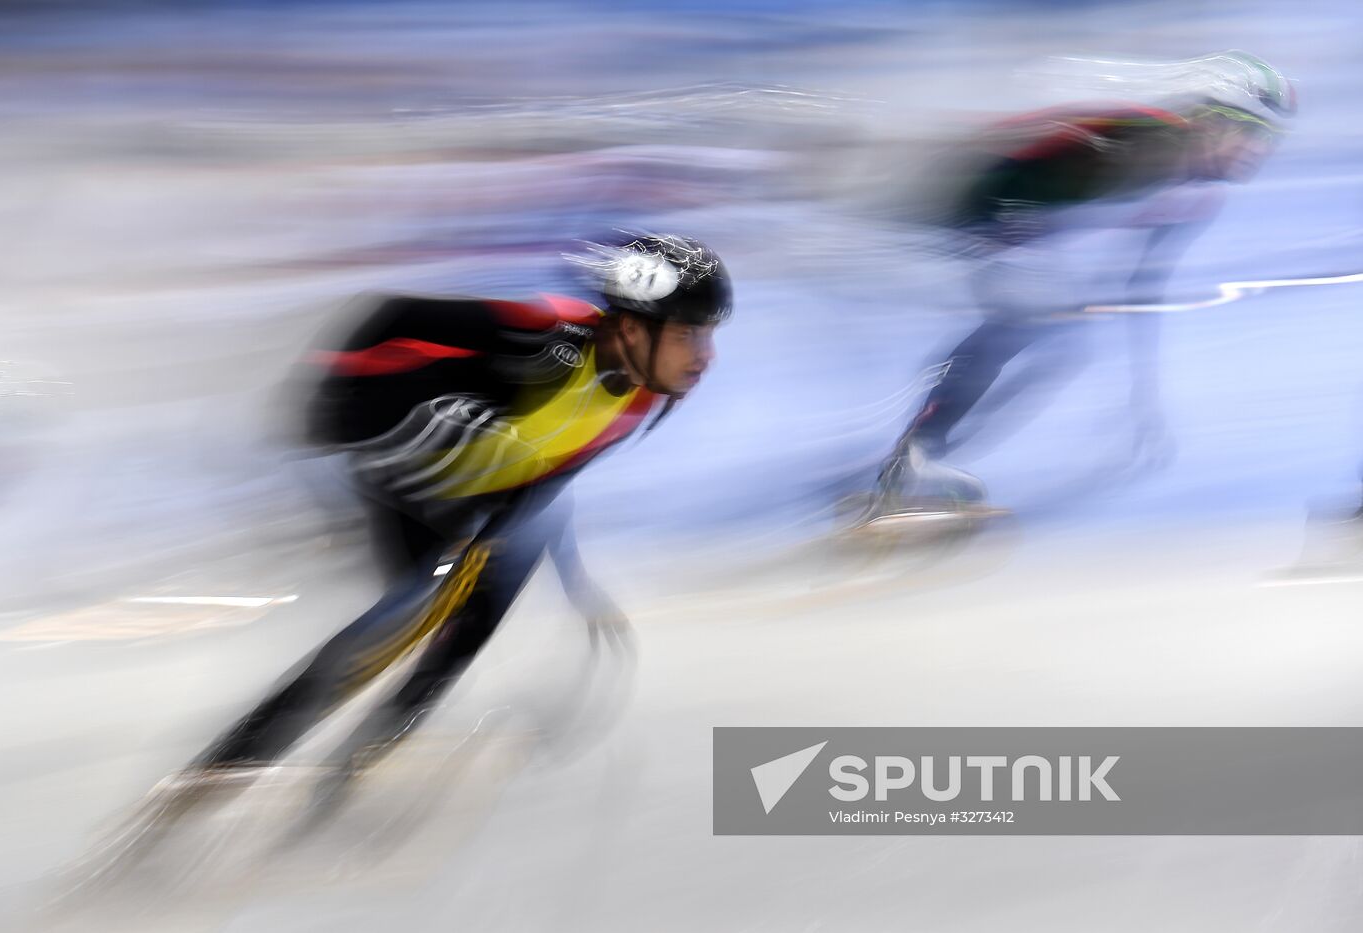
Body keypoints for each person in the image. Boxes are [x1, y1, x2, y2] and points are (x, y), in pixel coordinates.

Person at [162, 233, 731, 812]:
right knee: (407, 613)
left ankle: (360, 757)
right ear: (632, 329)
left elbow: (549, 475)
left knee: (498, 578)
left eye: (707, 335)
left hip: (461, 495)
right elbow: (389, 314)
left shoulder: (640, 399)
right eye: (688, 334)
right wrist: (338, 419)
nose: (705, 356)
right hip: (387, 468)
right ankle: (223, 769)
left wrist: (562, 576)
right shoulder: (549, 339)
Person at [868, 50, 1296, 518]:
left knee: (1061, 339)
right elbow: (1009, 144)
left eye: (1269, 138)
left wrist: (1140, 398)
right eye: (1251, 132)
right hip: (960, 195)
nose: (1259, 150)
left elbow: (1139, 290)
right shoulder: (1143, 135)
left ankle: (916, 456)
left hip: (1005, 214)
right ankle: (913, 458)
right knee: (1033, 317)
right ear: (1210, 123)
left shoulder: (1195, 193)